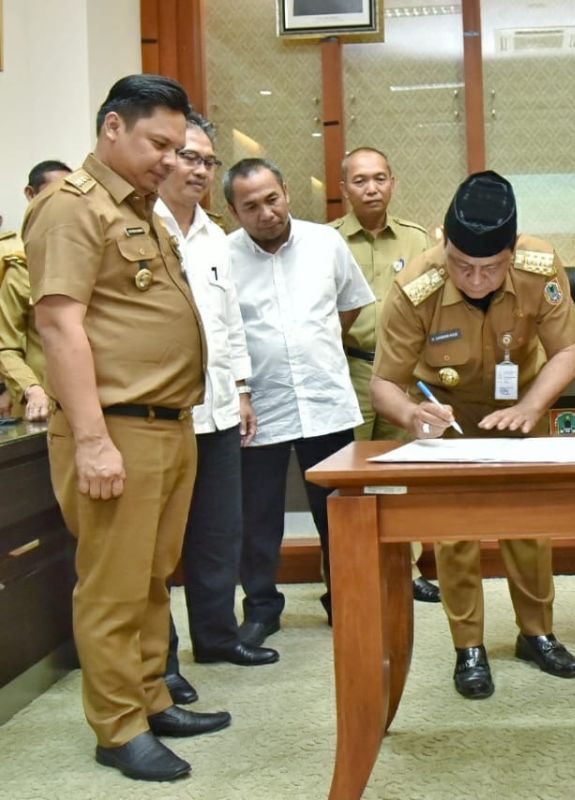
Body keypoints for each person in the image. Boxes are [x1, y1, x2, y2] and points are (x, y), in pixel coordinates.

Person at [23, 74, 231, 783]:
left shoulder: (141, 210)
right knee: (111, 586)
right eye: (159, 144)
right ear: (113, 128)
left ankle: (150, 696)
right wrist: (90, 440)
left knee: (148, 578)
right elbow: (58, 324)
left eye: (180, 147)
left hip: (169, 425)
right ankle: (117, 728)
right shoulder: (71, 209)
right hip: (114, 427)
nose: (172, 161)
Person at [372, 170, 575, 700]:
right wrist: (414, 416)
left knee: (529, 527)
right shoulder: (414, 287)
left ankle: (537, 633)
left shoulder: (539, 265)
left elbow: (566, 351)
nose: (474, 280)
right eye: (461, 266)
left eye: (490, 268)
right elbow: (383, 384)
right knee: (454, 533)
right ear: (445, 247)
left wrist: (533, 406)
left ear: (512, 254)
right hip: (449, 413)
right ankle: (468, 646)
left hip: (522, 405)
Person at [224, 158, 374, 646]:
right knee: (257, 515)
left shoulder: (326, 243)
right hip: (258, 405)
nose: (266, 212)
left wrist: (318, 344)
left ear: (286, 191)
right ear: (233, 211)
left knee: (336, 511)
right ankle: (263, 606)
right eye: (251, 206)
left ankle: (345, 598)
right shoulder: (222, 257)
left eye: (272, 199)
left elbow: (350, 303)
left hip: (324, 397)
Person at [155, 115, 278, 709]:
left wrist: (242, 389)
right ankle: (162, 663)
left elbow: (228, 326)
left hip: (220, 409)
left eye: (208, 161)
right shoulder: (138, 224)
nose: (200, 170)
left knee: (218, 534)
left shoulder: (213, 235)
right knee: (160, 545)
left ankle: (217, 636)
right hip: (162, 413)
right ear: (161, 160)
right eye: (188, 157)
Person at [330, 146, 439, 604]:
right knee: (348, 476)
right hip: (348, 368)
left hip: (402, 376)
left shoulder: (418, 242)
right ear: (343, 189)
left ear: (393, 182)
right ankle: (347, 571)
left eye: (379, 178)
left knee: (402, 472)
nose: (371, 188)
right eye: (360, 180)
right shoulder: (327, 241)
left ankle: (406, 567)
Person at [0, 161, 71, 421]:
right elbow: (6, 347)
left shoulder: (89, 257)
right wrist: (31, 390)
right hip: (43, 408)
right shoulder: (20, 266)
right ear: (31, 194)